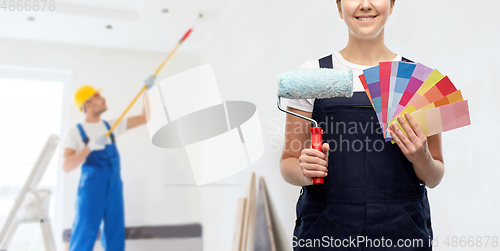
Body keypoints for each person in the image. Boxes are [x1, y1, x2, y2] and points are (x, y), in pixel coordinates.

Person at [280, 0, 444, 250]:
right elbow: (287, 162)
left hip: (402, 231)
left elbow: (434, 176)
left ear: (391, 4)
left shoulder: (418, 80)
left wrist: (422, 158)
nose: (365, 5)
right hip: (327, 231)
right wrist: (305, 170)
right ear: (338, 6)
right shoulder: (312, 75)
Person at [62, 76, 155, 251]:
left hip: (114, 186)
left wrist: (147, 92)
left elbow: (145, 118)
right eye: (98, 96)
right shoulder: (74, 132)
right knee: (84, 233)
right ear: (87, 105)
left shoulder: (111, 126)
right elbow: (66, 166)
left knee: (115, 234)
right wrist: (89, 148)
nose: (103, 98)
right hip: (91, 188)